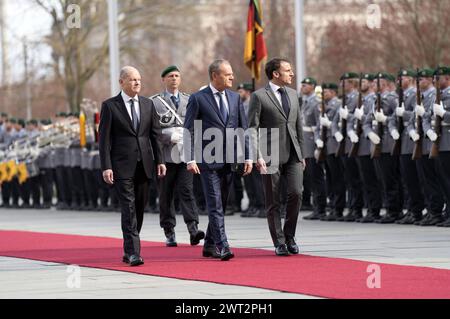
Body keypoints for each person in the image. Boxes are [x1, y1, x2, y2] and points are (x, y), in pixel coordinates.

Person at [184, 59, 252, 261]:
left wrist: (248, 155)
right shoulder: (198, 98)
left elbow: (243, 129)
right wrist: (190, 158)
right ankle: (223, 245)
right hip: (207, 160)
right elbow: (189, 130)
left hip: (230, 160)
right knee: (215, 204)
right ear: (215, 76)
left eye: (232, 73)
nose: (232, 76)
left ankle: (209, 245)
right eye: (227, 73)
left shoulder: (234, 98)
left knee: (221, 202)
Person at [99, 66, 166, 267]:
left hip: (145, 164)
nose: (137, 82)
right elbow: (104, 140)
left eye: (139, 79)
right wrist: (106, 166)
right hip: (121, 166)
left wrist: (160, 160)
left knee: (139, 207)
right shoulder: (110, 106)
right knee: (128, 208)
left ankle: (130, 246)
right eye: (132, 79)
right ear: (122, 82)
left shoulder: (148, 104)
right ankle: (133, 252)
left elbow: (156, 135)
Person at [248, 57, 305, 256]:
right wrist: (257, 155)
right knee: (273, 200)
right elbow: (252, 128)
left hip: (293, 153)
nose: (292, 73)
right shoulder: (259, 96)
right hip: (269, 153)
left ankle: (290, 235)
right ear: (276, 73)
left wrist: (302, 154)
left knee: (296, 193)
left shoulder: (293, 94)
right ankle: (279, 241)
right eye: (288, 70)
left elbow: (298, 126)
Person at [150, 65, 205, 247]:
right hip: (165, 156)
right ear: (164, 80)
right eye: (170, 76)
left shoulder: (189, 100)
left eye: (177, 76)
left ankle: (193, 229)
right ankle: (169, 230)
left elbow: (196, 125)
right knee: (166, 194)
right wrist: (168, 136)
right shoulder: (155, 102)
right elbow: (152, 130)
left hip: (185, 155)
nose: (174, 79)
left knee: (187, 191)